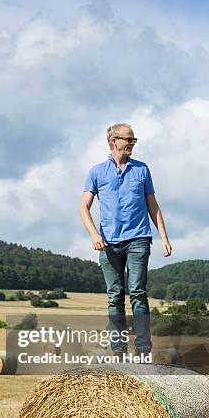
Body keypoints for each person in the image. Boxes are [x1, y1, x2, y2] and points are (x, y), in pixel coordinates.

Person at [79, 122, 172, 356]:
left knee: (138, 292)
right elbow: (83, 208)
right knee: (115, 297)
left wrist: (164, 236)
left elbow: (153, 206)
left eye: (134, 140)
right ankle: (118, 350)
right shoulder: (96, 172)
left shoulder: (142, 169)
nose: (132, 144)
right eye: (128, 139)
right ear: (113, 141)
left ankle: (142, 349)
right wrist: (94, 234)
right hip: (108, 243)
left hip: (138, 238)